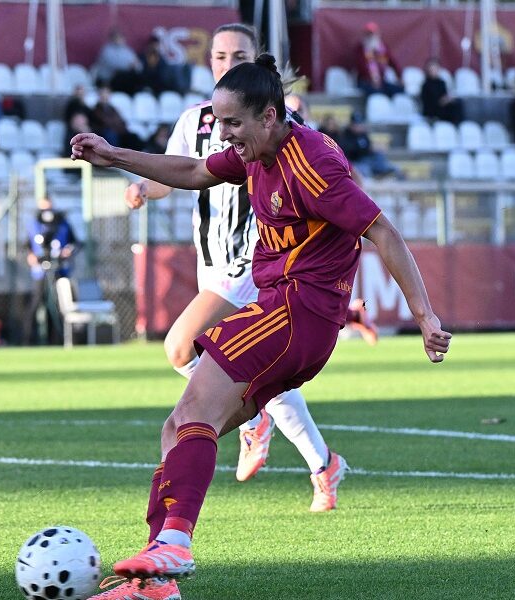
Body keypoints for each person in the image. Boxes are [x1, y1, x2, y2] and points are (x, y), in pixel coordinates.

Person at [72, 54, 450, 597]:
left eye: (233, 123)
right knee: (178, 429)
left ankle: (174, 544)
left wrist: (424, 316)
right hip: (286, 313)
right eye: (219, 122)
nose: (224, 134)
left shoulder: (311, 163)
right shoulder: (257, 152)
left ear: (269, 116)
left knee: (194, 408)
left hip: (295, 312)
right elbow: (194, 172)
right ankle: (158, 578)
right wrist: (114, 156)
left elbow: (382, 231)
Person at [124, 24, 358, 539]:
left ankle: (248, 430)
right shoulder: (194, 121)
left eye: (239, 56)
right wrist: (142, 184)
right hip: (212, 263)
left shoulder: (279, 126)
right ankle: (322, 463)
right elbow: (181, 172)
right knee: (257, 379)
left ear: (257, 63)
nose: (227, 63)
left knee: (180, 348)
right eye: (219, 55)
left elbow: (336, 200)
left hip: (254, 263)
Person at [22, 196, 77, 344]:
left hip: (59, 269)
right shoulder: (34, 224)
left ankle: (58, 340)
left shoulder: (63, 224)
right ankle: (28, 340)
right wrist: (31, 256)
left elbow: (74, 243)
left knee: (58, 305)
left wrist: (67, 251)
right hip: (40, 271)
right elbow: (28, 245)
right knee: (36, 303)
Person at [339, 111, 403, 179]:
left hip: (367, 158)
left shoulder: (363, 134)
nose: (358, 126)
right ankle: (375, 176)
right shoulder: (346, 135)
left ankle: (383, 171)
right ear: (351, 125)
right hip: (356, 161)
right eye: (355, 125)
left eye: (359, 124)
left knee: (379, 155)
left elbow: (368, 146)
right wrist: (364, 149)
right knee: (365, 169)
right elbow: (349, 151)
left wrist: (374, 149)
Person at [355, 21, 403, 97]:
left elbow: (392, 62)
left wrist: (399, 76)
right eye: (368, 34)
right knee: (377, 92)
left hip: (382, 80)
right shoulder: (360, 49)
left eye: (373, 34)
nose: (371, 37)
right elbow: (361, 67)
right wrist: (373, 79)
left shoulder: (382, 49)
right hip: (365, 81)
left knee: (399, 90)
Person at [94, 29, 142, 94]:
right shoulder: (106, 50)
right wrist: (130, 65)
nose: (119, 39)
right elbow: (114, 64)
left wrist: (136, 66)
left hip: (123, 79)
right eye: (116, 37)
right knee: (123, 76)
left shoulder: (127, 50)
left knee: (137, 77)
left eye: (120, 37)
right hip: (108, 80)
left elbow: (138, 65)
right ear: (111, 39)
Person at [420, 58, 464, 125]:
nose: (434, 70)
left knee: (458, 103)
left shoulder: (441, 82)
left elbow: (444, 95)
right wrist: (443, 101)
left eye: (436, 68)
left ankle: (458, 125)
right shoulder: (426, 85)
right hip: (432, 109)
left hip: (442, 106)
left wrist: (448, 99)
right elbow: (430, 102)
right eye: (432, 68)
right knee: (450, 109)